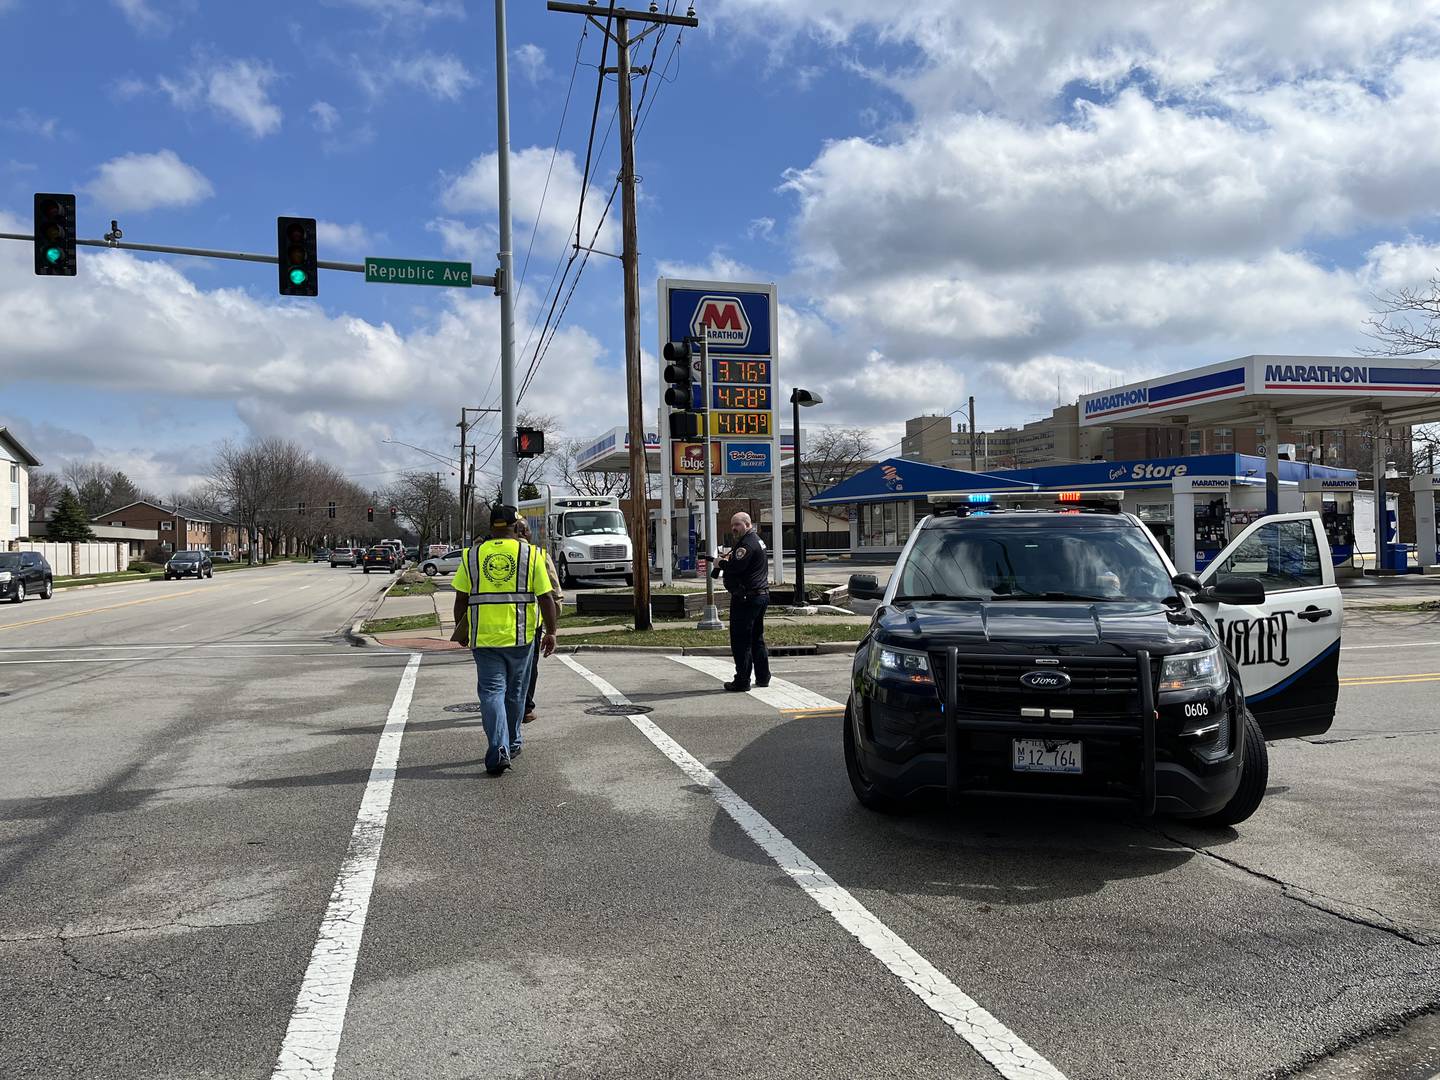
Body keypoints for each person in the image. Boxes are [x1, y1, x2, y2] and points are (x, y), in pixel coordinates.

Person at [451, 505, 558, 775]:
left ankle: (499, 747)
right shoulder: (531, 554)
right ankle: (511, 741)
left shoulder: (472, 555)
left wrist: (461, 629)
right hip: (521, 637)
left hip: (484, 637)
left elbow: (460, 599)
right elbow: (546, 597)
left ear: (491, 525)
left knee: (490, 693)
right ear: (515, 526)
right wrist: (551, 632)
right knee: (515, 693)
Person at [711, 511, 771, 692]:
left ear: (747, 524)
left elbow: (736, 568)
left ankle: (742, 680)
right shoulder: (756, 541)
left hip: (747, 598)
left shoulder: (746, 545)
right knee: (756, 638)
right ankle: (763, 676)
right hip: (759, 595)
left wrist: (719, 564)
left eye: (737, 524)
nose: (734, 528)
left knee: (741, 640)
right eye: (732, 525)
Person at [513, 516, 563, 724]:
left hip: (492, 624)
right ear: (525, 533)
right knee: (528, 667)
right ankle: (525, 707)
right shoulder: (538, 555)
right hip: (530, 622)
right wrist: (552, 625)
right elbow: (553, 591)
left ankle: (505, 705)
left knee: (499, 672)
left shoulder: (485, 554)